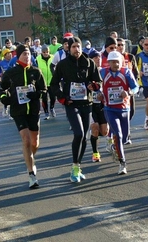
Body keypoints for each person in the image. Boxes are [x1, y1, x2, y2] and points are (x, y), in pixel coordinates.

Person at [50, 36, 102, 183]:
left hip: (87, 103)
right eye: (73, 47)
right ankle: (74, 166)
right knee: (78, 133)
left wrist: (94, 86)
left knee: (84, 136)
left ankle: (78, 166)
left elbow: (98, 81)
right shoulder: (63, 65)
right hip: (71, 104)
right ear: (69, 48)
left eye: (78, 46)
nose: (76, 49)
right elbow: (53, 85)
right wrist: (63, 98)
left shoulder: (89, 63)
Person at [0, 44, 47, 188]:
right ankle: (31, 174)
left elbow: (44, 90)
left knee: (34, 142)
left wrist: (37, 94)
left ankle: (30, 159)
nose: (27, 56)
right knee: (26, 140)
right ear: (18, 56)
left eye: (28, 54)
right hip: (18, 111)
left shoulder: (36, 72)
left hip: (33, 110)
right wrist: (4, 98)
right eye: (24, 54)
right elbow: (2, 88)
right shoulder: (11, 72)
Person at [99, 51, 139, 175]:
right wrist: (98, 94)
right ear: (109, 62)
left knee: (125, 137)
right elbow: (96, 86)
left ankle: (114, 147)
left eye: (118, 62)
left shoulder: (126, 72)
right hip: (110, 109)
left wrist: (129, 93)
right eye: (113, 62)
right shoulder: (103, 72)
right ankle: (122, 163)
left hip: (124, 109)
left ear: (121, 62)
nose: (116, 64)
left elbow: (136, 87)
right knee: (118, 134)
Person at [116, 37, 138, 144]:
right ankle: (124, 134)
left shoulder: (130, 56)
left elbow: (135, 72)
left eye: (122, 45)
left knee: (131, 112)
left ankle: (125, 129)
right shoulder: (113, 58)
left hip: (129, 90)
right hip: (116, 90)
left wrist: (133, 84)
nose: (120, 47)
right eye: (118, 45)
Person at [88, 50, 109, 162]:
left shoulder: (105, 72)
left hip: (101, 105)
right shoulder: (87, 72)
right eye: (95, 57)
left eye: (99, 57)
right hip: (90, 105)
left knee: (104, 131)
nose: (98, 59)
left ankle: (94, 136)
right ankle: (95, 153)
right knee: (95, 128)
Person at [36, 45, 56, 120]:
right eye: (44, 52)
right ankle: (46, 112)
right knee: (44, 98)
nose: (45, 53)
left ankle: (52, 108)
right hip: (42, 82)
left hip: (51, 81)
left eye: (47, 52)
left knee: (53, 97)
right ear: (41, 52)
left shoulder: (53, 57)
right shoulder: (38, 59)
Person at [0, 48, 13, 118]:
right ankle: (5, 107)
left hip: (13, 82)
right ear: (5, 55)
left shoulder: (13, 61)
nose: (10, 55)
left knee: (12, 96)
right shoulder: (1, 63)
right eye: (8, 54)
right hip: (5, 82)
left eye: (10, 53)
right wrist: (0, 74)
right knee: (6, 96)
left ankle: (11, 113)